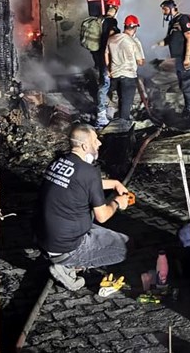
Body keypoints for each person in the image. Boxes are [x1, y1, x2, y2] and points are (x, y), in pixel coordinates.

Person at [35, 123, 132, 291]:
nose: (100, 143)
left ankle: (64, 259)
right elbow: (102, 216)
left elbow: (80, 183)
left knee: (113, 235)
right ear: (85, 146)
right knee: (123, 248)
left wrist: (114, 183)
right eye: (96, 140)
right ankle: (68, 267)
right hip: (67, 247)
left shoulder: (58, 162)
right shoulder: (89, 171)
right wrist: (117, 202)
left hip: (45, 238)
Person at [156, 0, 190, 118]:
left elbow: (189, 38)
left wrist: (187, 58)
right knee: (183, 84)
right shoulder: (173, 22)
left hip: (185, 58)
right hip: (178, 58)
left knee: (187, 84)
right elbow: (169, 39)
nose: (163, 12)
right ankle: (188, 108)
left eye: (164, 9)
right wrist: (157, 44)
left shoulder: (183, 19)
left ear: (171, 8)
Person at [105, 14, 146, 125]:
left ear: (125, 26)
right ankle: (122, 126)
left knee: (120, 99)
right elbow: (140, 62)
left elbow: (106, 55)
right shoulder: (134, 41)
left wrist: (109, 70)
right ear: (135, 27)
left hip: (115, 75)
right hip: (128, 76)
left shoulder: (112, 39)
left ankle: (115, 119)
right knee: (126, 103)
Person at [92, 0, 121, 127]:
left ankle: (103, 112)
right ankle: (101, 117)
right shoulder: (112, 22)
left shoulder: (100, 19)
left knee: (103, 84)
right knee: (104, 86)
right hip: (107, 58)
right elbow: (111, 41)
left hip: (98, 56)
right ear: (116, 7)